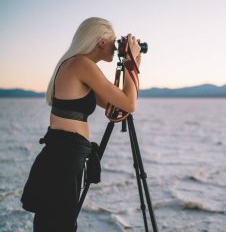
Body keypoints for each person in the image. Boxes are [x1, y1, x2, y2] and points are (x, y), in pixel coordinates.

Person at [20, 17, 142, 232]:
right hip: (64, 158)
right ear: (101, 41)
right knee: (60, 224)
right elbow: (129, 104)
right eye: (114, 42)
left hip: (65, 155)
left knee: (56, 223)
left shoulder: (78, 65)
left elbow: (115, 107)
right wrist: (132, 63)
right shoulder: (81, 64)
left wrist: (129, 64)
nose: (116, 48)